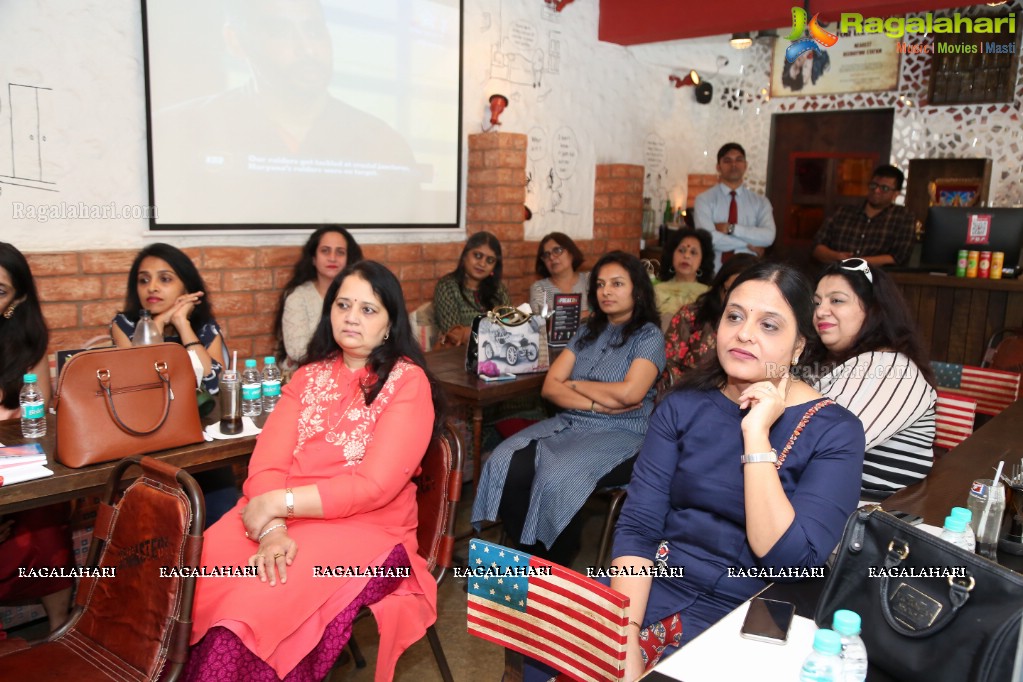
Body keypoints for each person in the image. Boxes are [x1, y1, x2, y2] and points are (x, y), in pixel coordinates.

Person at [185, 261, 445, 682]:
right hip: (277, 517)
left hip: (368, 530)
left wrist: (278, 504)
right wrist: (272, 527)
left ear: (390, 324)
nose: (351, 317)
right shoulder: (307, 376)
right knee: (196, 569)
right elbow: (267, 463)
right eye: (343, 305)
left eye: (368, 309)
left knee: (255, 601)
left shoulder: (406, 382)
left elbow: (374, 487)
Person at [610, 262, 865, 678]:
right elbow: (639, 526)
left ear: (799, 344)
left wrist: (757, 435)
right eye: (735, 316)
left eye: (769, 325)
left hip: (752, 613)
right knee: (552, 653)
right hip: (653, 586)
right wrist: (625, 637)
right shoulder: (683, 404)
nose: (744, 333)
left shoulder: (835, 431)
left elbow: (793, 564)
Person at [472, 251, 664, 565]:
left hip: (624, 433)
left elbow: (631, 394)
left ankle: (552, 566)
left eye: (617, 284)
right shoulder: (588, 330)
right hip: (570, 423)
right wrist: (595, 402)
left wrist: (574, 384)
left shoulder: (648, 336)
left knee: (557, 475)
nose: (606, 291)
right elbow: (550, 387)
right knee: (506, 459)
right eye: (601, 284)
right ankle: (520, 564)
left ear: (638, 290)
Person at [156, 0, 421, 224]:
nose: (306, 48)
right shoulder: (180, 130)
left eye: (314, 31)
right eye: (280, 31)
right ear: (235, 40)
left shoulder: (385, 144)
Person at [111, 243, 236, 524]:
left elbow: (214, 383)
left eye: (164, 279)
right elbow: (136, 375)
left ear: (185, 287)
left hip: (201, 442)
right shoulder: (125, 325)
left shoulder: (203, 326)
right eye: (144, 280)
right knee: (161, 525)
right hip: (147, 442)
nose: (152, 287)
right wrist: (159, 321)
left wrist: (181, 323)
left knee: (222, 514)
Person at [808, 258, 937, 499]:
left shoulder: (889, 367)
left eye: (836, 300)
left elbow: (817, 444)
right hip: (825, 504)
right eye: (816, 302)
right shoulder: (829, 364)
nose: (821, 311)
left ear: (873, 308)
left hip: (865, 520)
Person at [0, 243, 75, 634]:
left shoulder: (27, 348)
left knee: (47, 510)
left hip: (15, 472)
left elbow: (40, 422)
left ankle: (59, 625)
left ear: (16, 300)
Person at [660, 253, 758, 390]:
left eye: (744, 294)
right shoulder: (690, 315)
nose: (734, 300)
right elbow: (668, 364)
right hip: (690, 393)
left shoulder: (759, 329)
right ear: (719, 288)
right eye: (729, 291)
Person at [273, 226, 363, 369]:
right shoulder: (298, 297)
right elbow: (298, 351)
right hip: (304, 376)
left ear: (349, 259)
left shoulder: (360, 295)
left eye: (340, 252)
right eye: (325, 251)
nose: (332, 258)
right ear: (313, 258)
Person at [812, 165, 916, 267]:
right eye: (873, 185)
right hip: (837, 275)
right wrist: (838, 257)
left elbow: (900, 257)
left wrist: (858, 262)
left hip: (878, 280)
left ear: (896, 194)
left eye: (884, 188)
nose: (876, 191)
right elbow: (817, 246)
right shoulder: (843, 212)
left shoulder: (903, 218)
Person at [693, 143, 776, 270]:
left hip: (747, 271)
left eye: (739, 160)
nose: (733, 165)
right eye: (727, 161)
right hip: (713, 271)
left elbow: (768, 237)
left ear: (745, 165)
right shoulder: (703, 200)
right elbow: (708, 239)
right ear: (718, 167)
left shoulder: (760, 202)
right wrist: (748, 244)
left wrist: (731, 229)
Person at [433, 231, 511, 347]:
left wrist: (468, 332)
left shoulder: (498, 289)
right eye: (477, 255)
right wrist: (496, 329)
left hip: (497, 354)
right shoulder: (447, 286)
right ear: (465, 256)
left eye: (490, 260)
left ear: (494, 266)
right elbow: (454, 334)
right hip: (459, 356)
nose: (482, 263)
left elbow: (512, 325)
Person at [654, 228, 714, 328]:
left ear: (702, 261)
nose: (686, 256)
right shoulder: (656, 291)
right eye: (681, 250)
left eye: (693, 252)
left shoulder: (708, 295)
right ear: (671, 255)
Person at [529, 232, 589, 316]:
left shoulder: (589, 280)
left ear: (571, 253)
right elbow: (542, 324)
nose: (551, 257)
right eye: (546, 255)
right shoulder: (539, 288)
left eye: (557, 250)